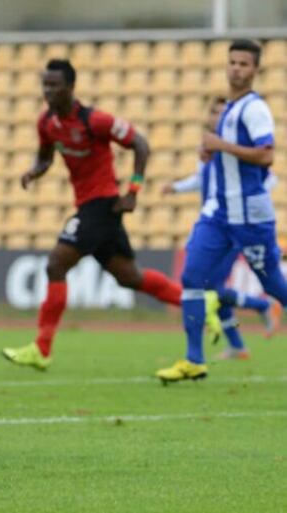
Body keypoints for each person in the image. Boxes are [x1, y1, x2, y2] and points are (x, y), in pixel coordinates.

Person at [2, 59, 188, 371]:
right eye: (44, 85)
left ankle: (41, 348)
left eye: (54, 85)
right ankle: (198, 302)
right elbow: (46, 156)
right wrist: (35, 172)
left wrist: (133, 190)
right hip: (93, 208)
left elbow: (140, 144)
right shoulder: (47, 123)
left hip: (102, 205)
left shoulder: (95, 120)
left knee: (55, 263)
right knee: (130, 277)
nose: (48, 91)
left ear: (71, 88)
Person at [157, 39, 287, 383]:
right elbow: (231, 155)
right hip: (220, 213)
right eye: (232, 62)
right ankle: (194, 359)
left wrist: (220, 146)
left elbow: (266, 155)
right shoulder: (229, 108)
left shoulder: (254, 108)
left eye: (244, 64)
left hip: (250, 216)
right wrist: (213, 155)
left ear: (255, 70)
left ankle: (255, 317)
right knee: (192, 278)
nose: (236, 69)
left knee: (274, 285)